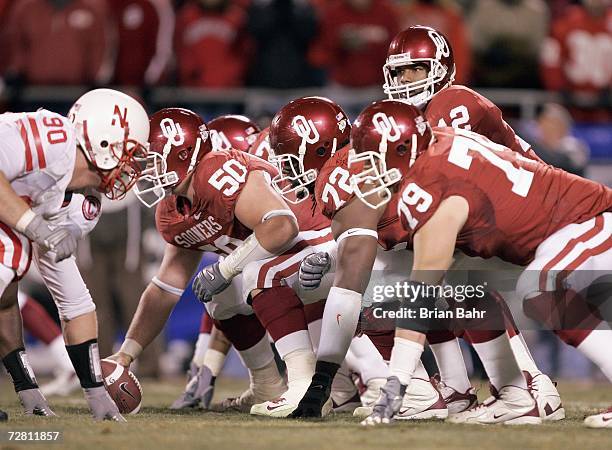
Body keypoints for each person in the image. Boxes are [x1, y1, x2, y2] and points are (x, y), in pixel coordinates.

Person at [352, 106, 612, 428]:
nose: (367, 169)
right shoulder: (441, 141)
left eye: (373, 158)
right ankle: (517, 396)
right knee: (464, 283)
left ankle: (525, 388)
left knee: (539, 288)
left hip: (586, 221)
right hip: (555, 236)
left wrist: (396, 382)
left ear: (403, 149)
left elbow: (420, 295)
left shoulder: (431, 184)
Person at [0, 88, 150, 421]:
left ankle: (26, 386)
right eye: (129, 153)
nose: (129, 167)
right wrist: (36, 227)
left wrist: (95, 393)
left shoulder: (83, 203)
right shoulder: (50, 140)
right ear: (103, 142)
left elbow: (75, 304)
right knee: (8, 262)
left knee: (8, 280)